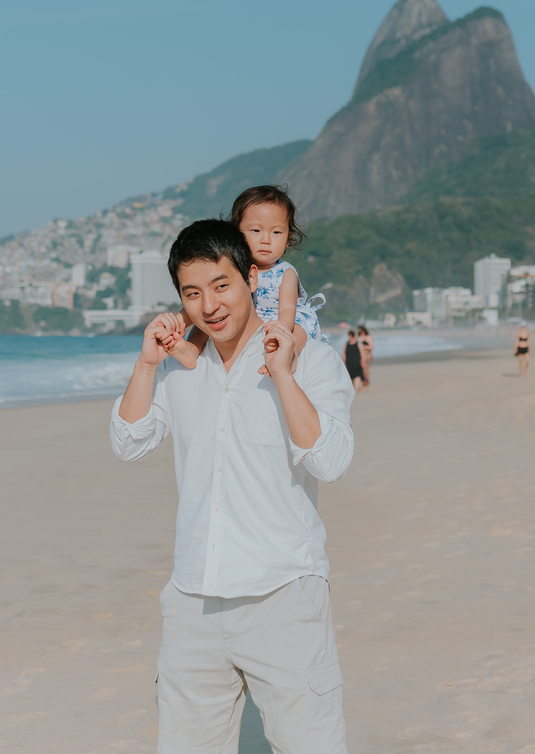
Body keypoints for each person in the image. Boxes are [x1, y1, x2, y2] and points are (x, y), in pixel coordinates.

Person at [111, 219, 355, 752]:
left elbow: (332, 461)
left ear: (250, 278)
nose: (210, 305)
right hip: (193, 600)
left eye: (221, 285)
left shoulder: (310, 358)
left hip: (283, 595)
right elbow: (128, 442)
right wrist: (147, 365)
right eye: (192, 293)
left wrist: (283, 374)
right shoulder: (178, 367)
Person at [165, 185, 323, 374]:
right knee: (209, 312)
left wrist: (282, 329)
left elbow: (288, 308)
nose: (266, 240)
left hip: (281, 319)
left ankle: (291, 357)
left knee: (300, 325)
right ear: (237, 233)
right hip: (248, 317)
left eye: (276, 232)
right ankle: (192, 349)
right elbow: (199, 298)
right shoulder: (231, 269)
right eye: (256, 230)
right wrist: (177, 321)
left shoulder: (285, 272)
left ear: (288, 238)